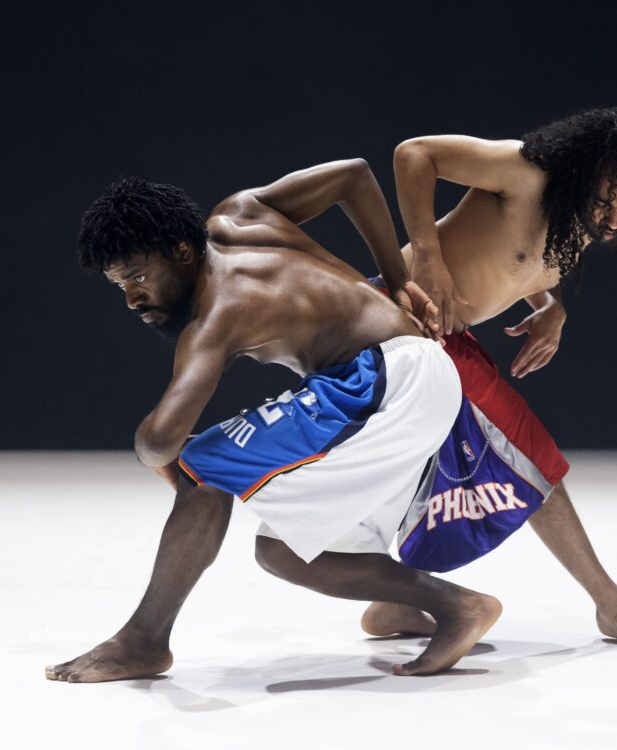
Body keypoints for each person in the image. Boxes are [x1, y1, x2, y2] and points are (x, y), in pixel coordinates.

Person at [45, 159, 501, 682]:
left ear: (182, 252)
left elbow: (158, 440)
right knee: (281, 551)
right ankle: (426, 604)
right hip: (406, 381)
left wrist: (174, 456)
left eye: (138, 278)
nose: (131, 300)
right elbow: (354, 176)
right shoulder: (240, 215)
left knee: (202, 468)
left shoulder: (216, 315)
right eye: (119, 286)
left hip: (386, 384)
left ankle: (143, 642)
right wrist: (398, 282)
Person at [362, 107, 617, 651]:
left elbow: (525, 259)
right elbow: (413, 153)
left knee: (426, 475)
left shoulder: (576, 221)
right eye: (605, 199)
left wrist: (552, 307)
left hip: (436, 341)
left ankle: (397, 601)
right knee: (531, 457)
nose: (613, 217)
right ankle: (612, 606)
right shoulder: (525, 172)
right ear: (579, 173)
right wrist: (427, 255)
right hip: (395, 321)